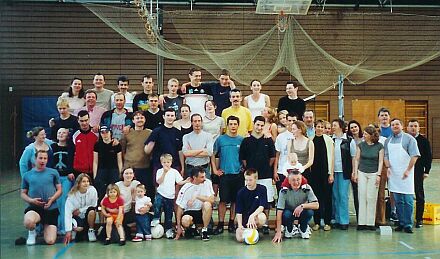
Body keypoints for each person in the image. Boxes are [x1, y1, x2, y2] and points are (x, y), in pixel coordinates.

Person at [239, 116, 275, 234]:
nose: (259, 127)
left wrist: (265, 167)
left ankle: (264, 224)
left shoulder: (268, 140)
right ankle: (248, 222)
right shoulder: (246, 140)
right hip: (251, 176)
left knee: (267, 201)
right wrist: (250, 170)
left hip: (265, 175)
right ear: (253, 124)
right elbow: (243, 159)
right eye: (257, 125)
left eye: (261, 125)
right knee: (249, 199)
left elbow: (272, 157)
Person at [384, 118, 420, 233]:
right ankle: (401, 222)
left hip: (406, 174)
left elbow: (414, 156)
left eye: (397, 124)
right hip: (394, 174)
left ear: (402, 126)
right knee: (398, 200)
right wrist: (388, 167)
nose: (395, 126)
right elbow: (386, 156)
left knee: (408, 200)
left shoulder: (409, 139)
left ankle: (408, 224)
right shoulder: (387, 141)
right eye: (393, 125)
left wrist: (408, 170)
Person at [21, 150, 62, 245]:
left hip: (51, 209)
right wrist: (31, 200)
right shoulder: (27, 175)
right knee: (28, 221)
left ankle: (46, 228)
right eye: (40, 158)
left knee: (50, 241)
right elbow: (23, 193)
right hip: (35, 208)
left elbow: (59, 190)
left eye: (45, 158)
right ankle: (32, 232)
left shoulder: (53, 173)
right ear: (35, 159)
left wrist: (52, 199)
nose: (43, 160)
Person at [211, 116, 244, 234]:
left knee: (235, 201)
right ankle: (220, 224)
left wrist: (243, 168)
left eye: (235, 124)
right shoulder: (221, 139)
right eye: (231, 124)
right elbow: (213, 154)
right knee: (223, 201)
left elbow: (244, 157)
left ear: (238, 125)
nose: (233, 126)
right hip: (224, 175)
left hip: (238, 175)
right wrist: (215, 170)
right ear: (227, 126)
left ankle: (231, 223)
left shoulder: (242, 140)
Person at [272, 170, 319, 242]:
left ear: (301, 179)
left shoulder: (307, 188)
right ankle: (289, 229)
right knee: (286, 214)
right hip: (289, 213)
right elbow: (279, 212)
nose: (296, 182)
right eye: (293, 180)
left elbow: (316, 205)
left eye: (298, 180)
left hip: (302, 212)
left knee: (309, 212)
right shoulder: (283, 191)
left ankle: (303, 228)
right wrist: (278, 232)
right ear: (289, 181)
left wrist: (302, 206)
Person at [352, 125, 384, 231]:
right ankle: (361, 223)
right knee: (362, 196)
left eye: (365, 134)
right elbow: (357, 159)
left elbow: (380, 161)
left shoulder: (379, 146)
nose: (363, 135)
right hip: (362, 172)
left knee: (371, 197)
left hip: (374, 173)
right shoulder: (361, 145)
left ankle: (370, 223)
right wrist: (355, 173)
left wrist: (379, 174)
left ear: (371, 135)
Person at [152, 154, 189, 239]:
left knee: (169, 215)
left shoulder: (174, 172)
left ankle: (168, 230)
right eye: (164, 162)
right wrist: (164, 173)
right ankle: (156, 218)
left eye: (168, 162)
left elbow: (179, 182)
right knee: (157, 204)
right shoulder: (159, 171)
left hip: (170, 196)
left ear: (171, 162)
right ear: (161, 163)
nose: (166, 164)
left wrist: (185, 181)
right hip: (161, 193)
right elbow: (159, 182)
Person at [120, 111, 154, 200]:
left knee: (144, 193)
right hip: (129, 168)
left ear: (145, 120)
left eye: (142, 118)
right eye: (137, 118)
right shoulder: (127, 133)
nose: (140, 120)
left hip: (144, 167)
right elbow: (122, 150)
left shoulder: (150, 133)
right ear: (133, 120)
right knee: (128, 194)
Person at [175, 167, 215, 241]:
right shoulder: (185, 188)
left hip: (201, 211)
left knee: (207, 204)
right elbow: (180, 208)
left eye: (204, 176)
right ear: (194, 177)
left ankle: (204, 230)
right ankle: (192, 227)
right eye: (202, 177)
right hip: (189, 212)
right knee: (185, 220)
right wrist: (179, 226)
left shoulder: (207, 182)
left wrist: (197, 196)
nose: (204, 178)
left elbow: (212, 199)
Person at [309, 120, 334, 231]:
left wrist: (331, 174)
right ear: (315, 128)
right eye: (317, 126)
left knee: (327, 198)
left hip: (326, 173)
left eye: (321, 127)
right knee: (315, 198)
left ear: (324, 129)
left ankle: (327, 222)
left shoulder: (329, 141)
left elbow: (332, 159)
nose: (319, 128)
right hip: (314, 175)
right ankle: (317, 222)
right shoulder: (311, 140)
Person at [407, 119, 432, 228]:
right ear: (407, 128)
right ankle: (404, 219)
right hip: (405, 171)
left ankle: (419, 219)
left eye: (415, 126)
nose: (413, 128)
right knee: (405, 195)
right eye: (411, 126)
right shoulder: (404, 139)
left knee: (419, 194)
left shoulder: (424, 141)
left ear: (418, 128)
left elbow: (428, 157)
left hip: (418, 171)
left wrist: (427, 171)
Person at [331, 118, 356, 230]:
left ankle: (344, 220)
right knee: (335, 196)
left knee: (343, 196)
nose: (333, 127)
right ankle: (336, 219)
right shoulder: (331, 140)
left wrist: (354, 172)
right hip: (333, 171)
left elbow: (354, 157)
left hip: (344, 171)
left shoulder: (349, 141)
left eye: (335, 125)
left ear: (340, 127)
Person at [144, 108, 184, 174]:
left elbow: (180, 151)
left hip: (174, 166)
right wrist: (151, 143)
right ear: (163, 117)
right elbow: (147, 151)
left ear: (175, 117)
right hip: (159, 166)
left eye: (172, 116)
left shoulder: (178, 133)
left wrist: (182, 167)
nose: (170, 118)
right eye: (168, 115)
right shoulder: (156, 131)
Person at [51, 128, 75, 234]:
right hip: (55, 178)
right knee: (56, 202)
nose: (61, 134)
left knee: (64, 201)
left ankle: (64, 227)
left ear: (67, 135)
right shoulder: (52, 147)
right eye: (59, 132)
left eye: (63, 133)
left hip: (66, 178)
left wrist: (70, 171)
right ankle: (54, 226)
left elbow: (72, 161)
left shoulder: (70, 147)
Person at [64, 173, 98, 244]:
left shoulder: (93, 190)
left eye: (87, 181)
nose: (86, 183)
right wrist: (68, 231)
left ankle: (91, 230)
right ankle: (75, 230)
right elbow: (68, 213)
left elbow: (94, 205)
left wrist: (80, 210)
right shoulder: (72, 195)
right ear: (78, 183)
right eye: (83, 181)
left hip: (87, 216)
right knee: (78, 231)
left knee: (92, 211)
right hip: (77, 217)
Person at [235, 169, 268, 243]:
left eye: (250, 180)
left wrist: (252, 216)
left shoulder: (262, 189)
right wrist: (240, 226)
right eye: (246, 180)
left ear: (256, 179)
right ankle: (248, 231)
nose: (248, 182)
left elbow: (261, 206)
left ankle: (255, 229)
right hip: (245, 219)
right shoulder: (241, 192)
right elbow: (239, 212)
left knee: (262, 217)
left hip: (255, 217)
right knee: (239, 239)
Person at [93, 126, 123, 201]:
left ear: (110, 133)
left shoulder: (116, 145)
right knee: (101, 192)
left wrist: (120, 173)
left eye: (107, 132)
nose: (105, 134)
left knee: (113, 191)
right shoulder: (97, 145)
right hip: (101, 170)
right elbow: (95, 161)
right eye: (102, 133)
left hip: (114, 170)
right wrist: (95, 175)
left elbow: (119, 161)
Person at [182, 114, 213, 178]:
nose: (197, 123)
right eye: (195, 121)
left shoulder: (208, 136)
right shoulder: (186, 137)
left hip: (204, 168)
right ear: (191, 123)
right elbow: (185, 153)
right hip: (191, 168)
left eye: (199, 121)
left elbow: (209, 152)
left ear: (202, 122)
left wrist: (191, 152)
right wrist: (202, 150)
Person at [115, 168, 140, 241]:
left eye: (131, 173)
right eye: (126, 173)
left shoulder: (136, 184)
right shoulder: (118, 185)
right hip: (118, 213)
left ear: (133, 174)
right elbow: (105, 200)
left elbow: (141, 198)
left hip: (128, 213)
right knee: (117, 238)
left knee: (147, 215)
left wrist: (133, 196)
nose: (129, 175)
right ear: (122, 175)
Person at [72, 110, 99, 178]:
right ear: (78, 120)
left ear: (89, 119)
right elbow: (71, 153)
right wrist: (70, 171)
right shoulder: (74, 135)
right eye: (81, 121)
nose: (84, 123)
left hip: (94, 170)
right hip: (78, 171)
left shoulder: (96, 134)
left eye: (86, 120)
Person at [273, 113, 296, 192]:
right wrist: (275, 171)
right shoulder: (281, 136)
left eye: (294, 120)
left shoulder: (300, 136)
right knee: (282, 196)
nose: (291, 122)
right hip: (282, 171)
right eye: (289, 120)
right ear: (286, 121)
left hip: (295, 171)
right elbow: (277, 155)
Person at [347, 120, 363, 222]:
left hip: (366, 169)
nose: (354, 129)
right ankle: (359, 218)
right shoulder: (349, 141)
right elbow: (353, 158)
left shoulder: (364, 139)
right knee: (356, 194)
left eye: (355, 127)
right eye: (351, 127)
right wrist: (354, 171)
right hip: (354, 170)